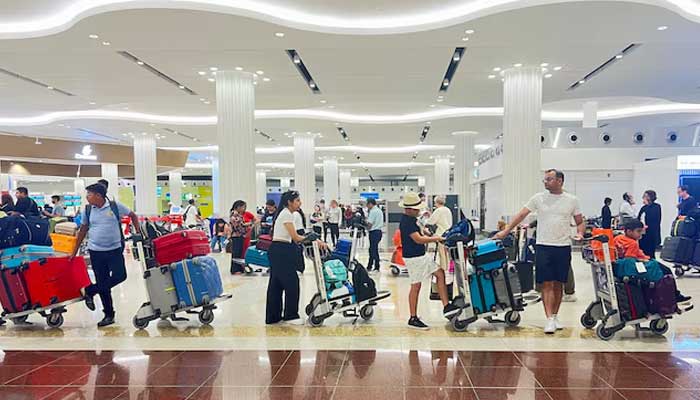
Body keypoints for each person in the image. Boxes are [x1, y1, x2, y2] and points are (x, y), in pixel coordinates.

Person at [495, 169, 584, 334]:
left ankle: (555, 315)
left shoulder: (572, 200)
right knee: (546, 283)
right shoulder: (538, 198)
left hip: (563, 247)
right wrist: (505, 231)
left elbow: (579, 221)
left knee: (559, 283)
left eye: (549, 179)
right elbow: (521, 215)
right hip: (543, 246)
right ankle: (549, 318)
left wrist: (580, 233)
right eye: (545, 179)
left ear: (560, 181)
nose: (545, 182)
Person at [72, 183, 140, 327]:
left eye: (89, 194)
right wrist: (75, 251)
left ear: (98, 195)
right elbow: (83, 230)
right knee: (103, 282)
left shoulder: (115, 206)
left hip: (115, 249)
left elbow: (132, 215)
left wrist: (138, 232)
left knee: (120, 276)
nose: (87, 197)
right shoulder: (88, 210)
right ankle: (109, 314)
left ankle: (90, 290)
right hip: (96, 252)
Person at [399, 192, 460, 330]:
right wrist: (436, 238)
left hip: (419, 255)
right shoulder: (407, 221)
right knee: (416, 285)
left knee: (439, 273)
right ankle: (413, 318)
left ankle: (446, 306)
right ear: (409, 209)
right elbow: (417, 239)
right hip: (415, 258)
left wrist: (428, 234)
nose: (419, 210)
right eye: (416, 208)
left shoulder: (411, 219)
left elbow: (421, 233)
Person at [266, 190, 324, 325]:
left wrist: (311, 239)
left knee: (276, 285)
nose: (300, 203)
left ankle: (273, 316)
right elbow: (296, 237)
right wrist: (311, 238)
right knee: (292, 283)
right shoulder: (286, 214)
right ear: (289, 202)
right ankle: (290, 316)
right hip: (281, 250)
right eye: (297, 200)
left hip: (278, 250)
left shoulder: (286, 213)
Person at [614, 219, 691, 304]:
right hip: (641, 263)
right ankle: (675, 295)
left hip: (622, 265)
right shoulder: (633, 243)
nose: (641, 234)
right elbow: (630, 258)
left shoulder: (618, 238)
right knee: (667, 271)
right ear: (629, 231)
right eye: (638, 231)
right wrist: (644, 260)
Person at [425, 196, 453, 273]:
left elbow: (431, 221)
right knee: (446, 252)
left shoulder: (438, 210)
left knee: (442, 253)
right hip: (448, 232)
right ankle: (447, 268)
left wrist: (425, 220)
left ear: (436, 202)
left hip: (441, 233)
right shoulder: (447, 209)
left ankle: (443, 269)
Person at [229, 200, 252, 274]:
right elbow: (238, 225)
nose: (244, 209)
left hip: (240, 236)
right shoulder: (234, 214)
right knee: (236, 253)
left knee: (240, 253)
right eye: (243, 207)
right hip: (236, 236)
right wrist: (247, 226)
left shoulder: (238, 214)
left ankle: (239, 268)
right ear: (238, 207)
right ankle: (235, 270)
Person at [638, 190, 662, 259]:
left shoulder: (656, 207)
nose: (644, 198)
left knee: (650, 253)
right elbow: (639, 218)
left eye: (646, 196)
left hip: (651, 233)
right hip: (642, 233)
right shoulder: (643, 207)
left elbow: (654, 219)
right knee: (642, 251)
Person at [366, 198, 384, 272]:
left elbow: (370, 223)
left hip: (374, 232)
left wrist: (366, 227)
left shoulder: (373, 211)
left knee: (373, 250)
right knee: (373, 249)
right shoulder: (379, 210)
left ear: (370, 204)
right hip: (379, 232)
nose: (367, 206)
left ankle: (376, 266)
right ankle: (370, 266)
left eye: (367, 204)